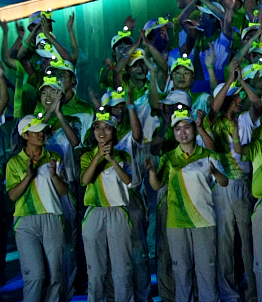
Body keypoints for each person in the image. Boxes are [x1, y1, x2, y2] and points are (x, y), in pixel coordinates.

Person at [150, 108, 228, 302]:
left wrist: (215, 173)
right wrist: (152, 171)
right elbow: (157, 185)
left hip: (204, 221)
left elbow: (224, 181)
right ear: (174, 133)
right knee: (181, 271)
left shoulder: (207, 154)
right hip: (176, 222)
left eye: (187, 128)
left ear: (194, 129)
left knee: (206, 272)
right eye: (178, 129)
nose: (183, 133)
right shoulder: (169, 158)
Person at [6, 113, 68, 302]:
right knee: (35, 275)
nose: (42, 134)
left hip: (52, 218)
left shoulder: (54, 158)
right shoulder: (15, 163)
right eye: (37, 132)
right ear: (25, 135)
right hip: (26, 221)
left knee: (55, 275)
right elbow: (12, 195)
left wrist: (55, 175)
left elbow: (64, 191)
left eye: (43, 131)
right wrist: (28, 177)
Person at [78, 109, 134, 302]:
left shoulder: (123, 156)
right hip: (94, 212)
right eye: (97, 128)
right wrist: (98, 157)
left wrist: (111, 160)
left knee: (121, 268)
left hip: (118, 212)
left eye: (107, 128)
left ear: (115, 131)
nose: (101, 132)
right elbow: (85, 180)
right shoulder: (87, 156)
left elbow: (129, 181)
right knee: (95, 268)